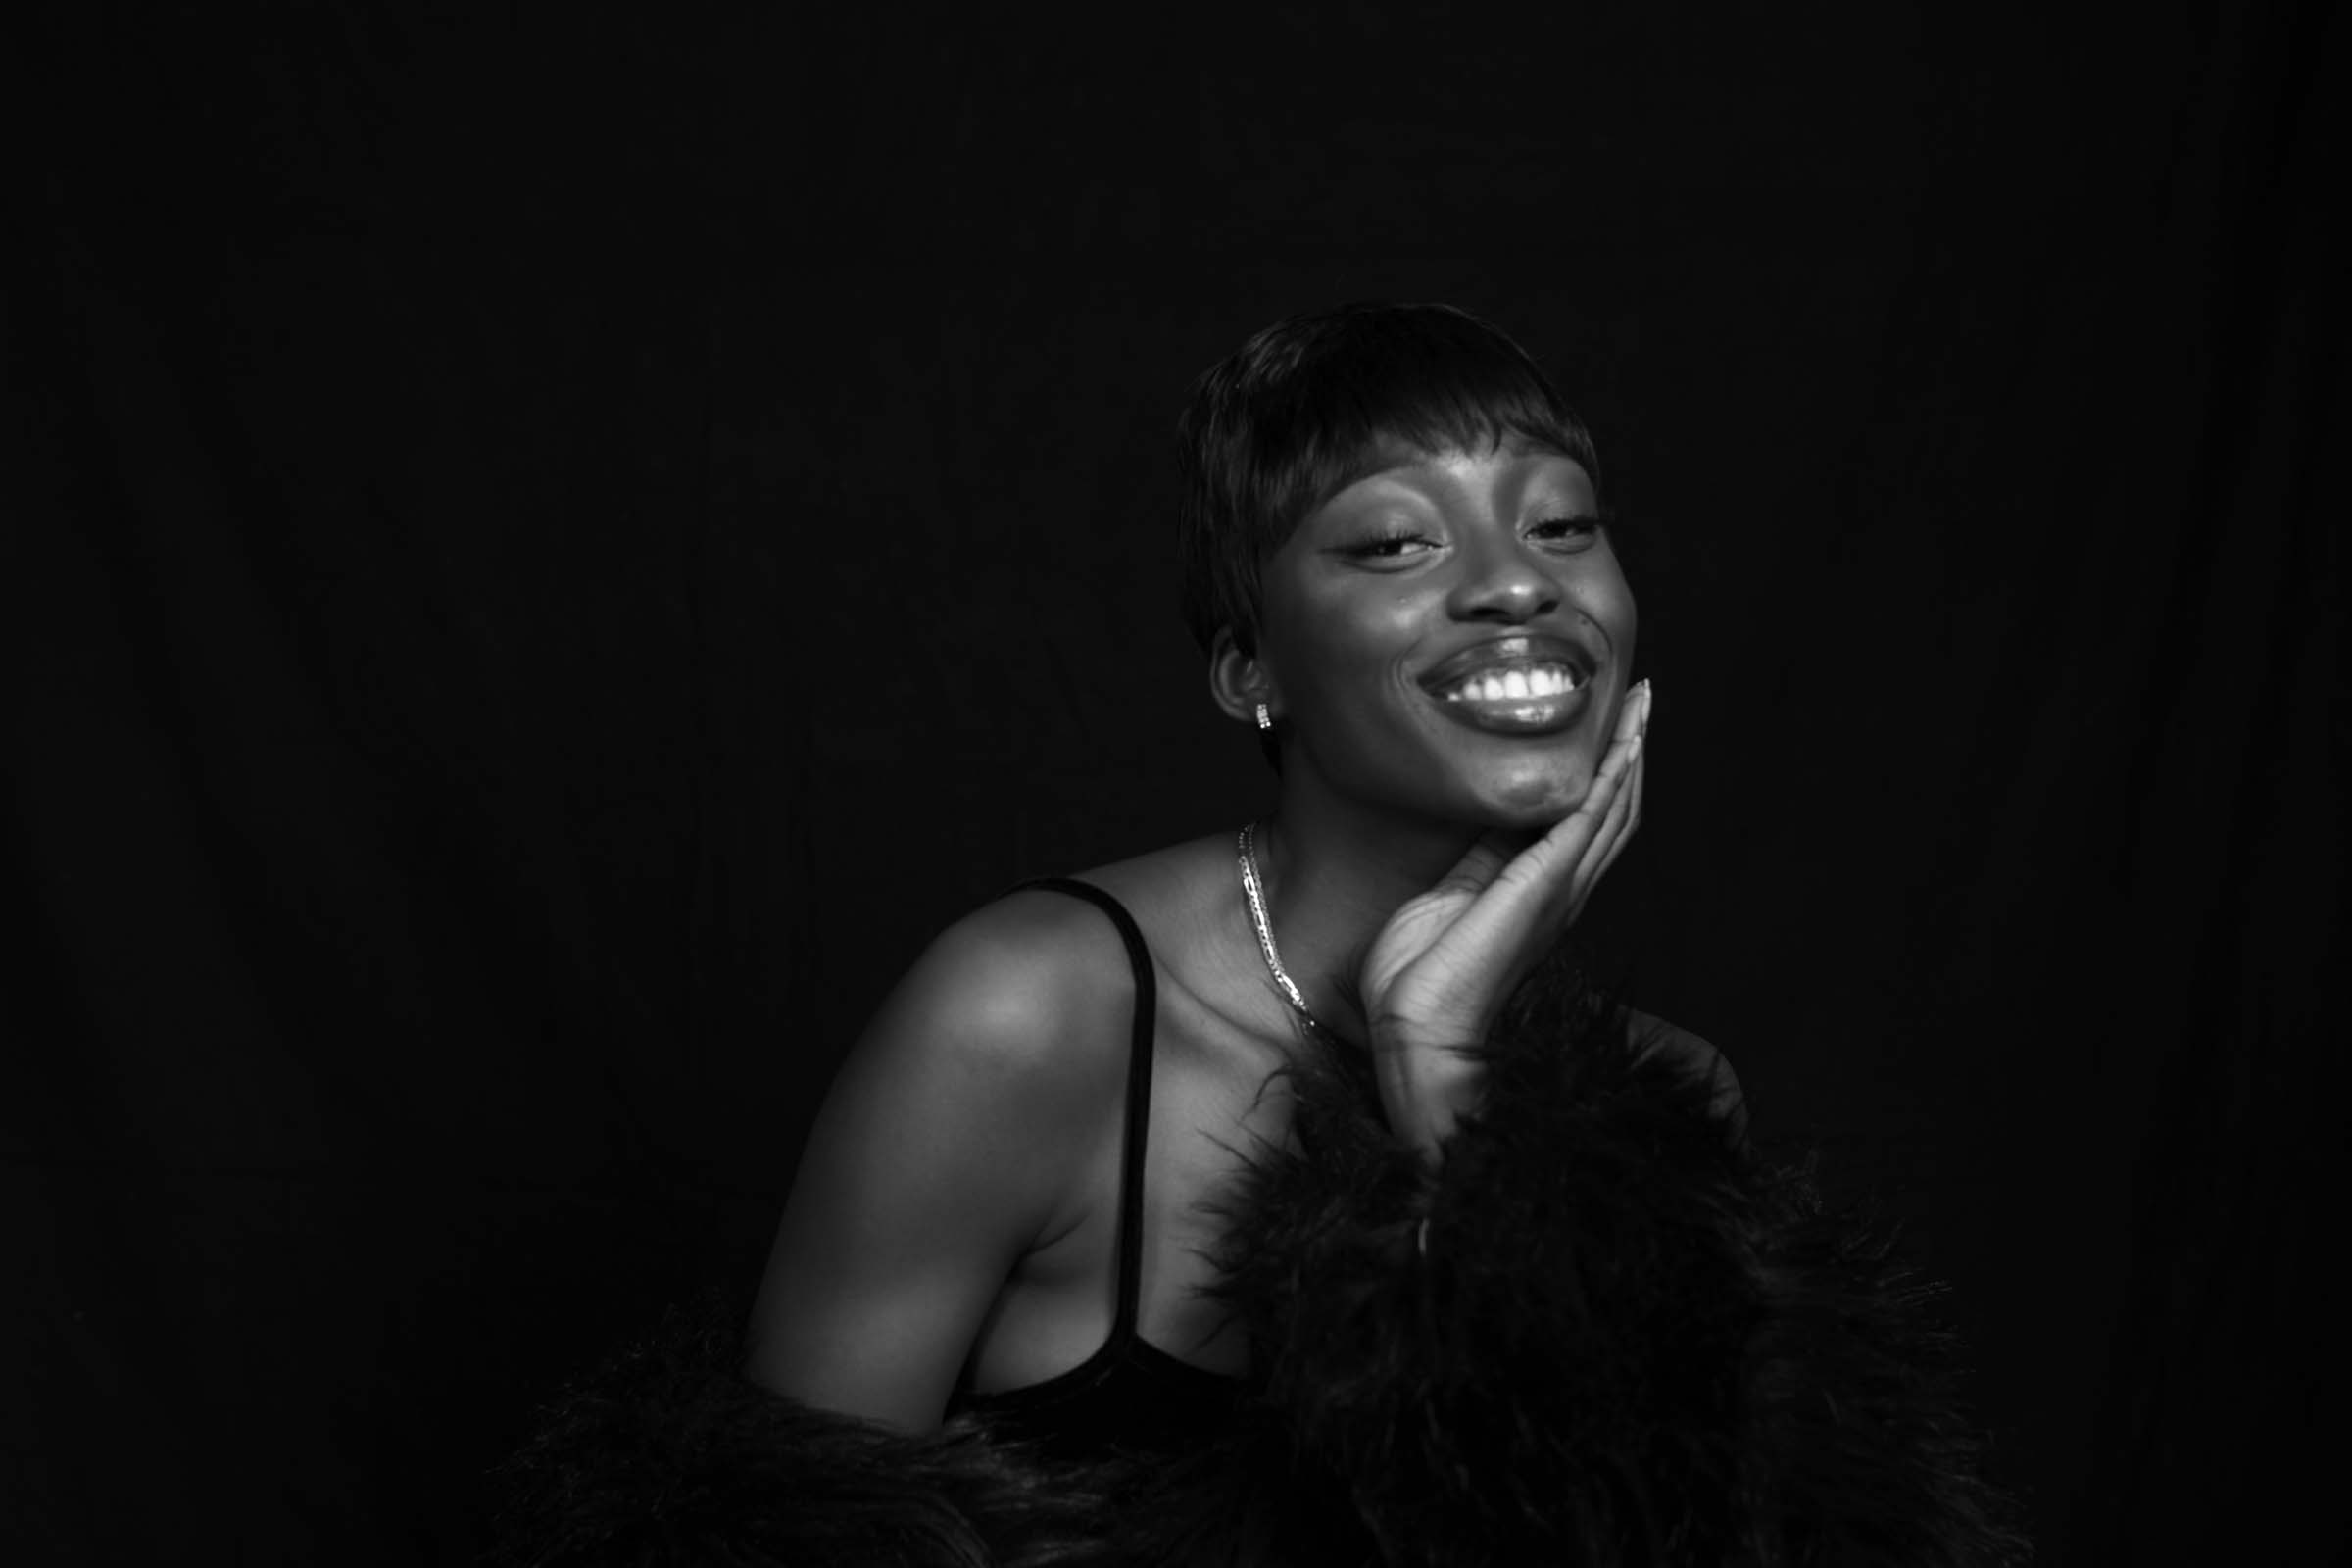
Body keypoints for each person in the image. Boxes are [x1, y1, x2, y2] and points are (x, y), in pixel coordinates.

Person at [493, 304, 2023, 1567]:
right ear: (1249, 673)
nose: (1516, 584)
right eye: (1396, 544)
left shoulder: (1665, 1096)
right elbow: (752, 1544)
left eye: (1563, 525)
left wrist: (1442, 1072)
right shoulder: (1028, 1017)